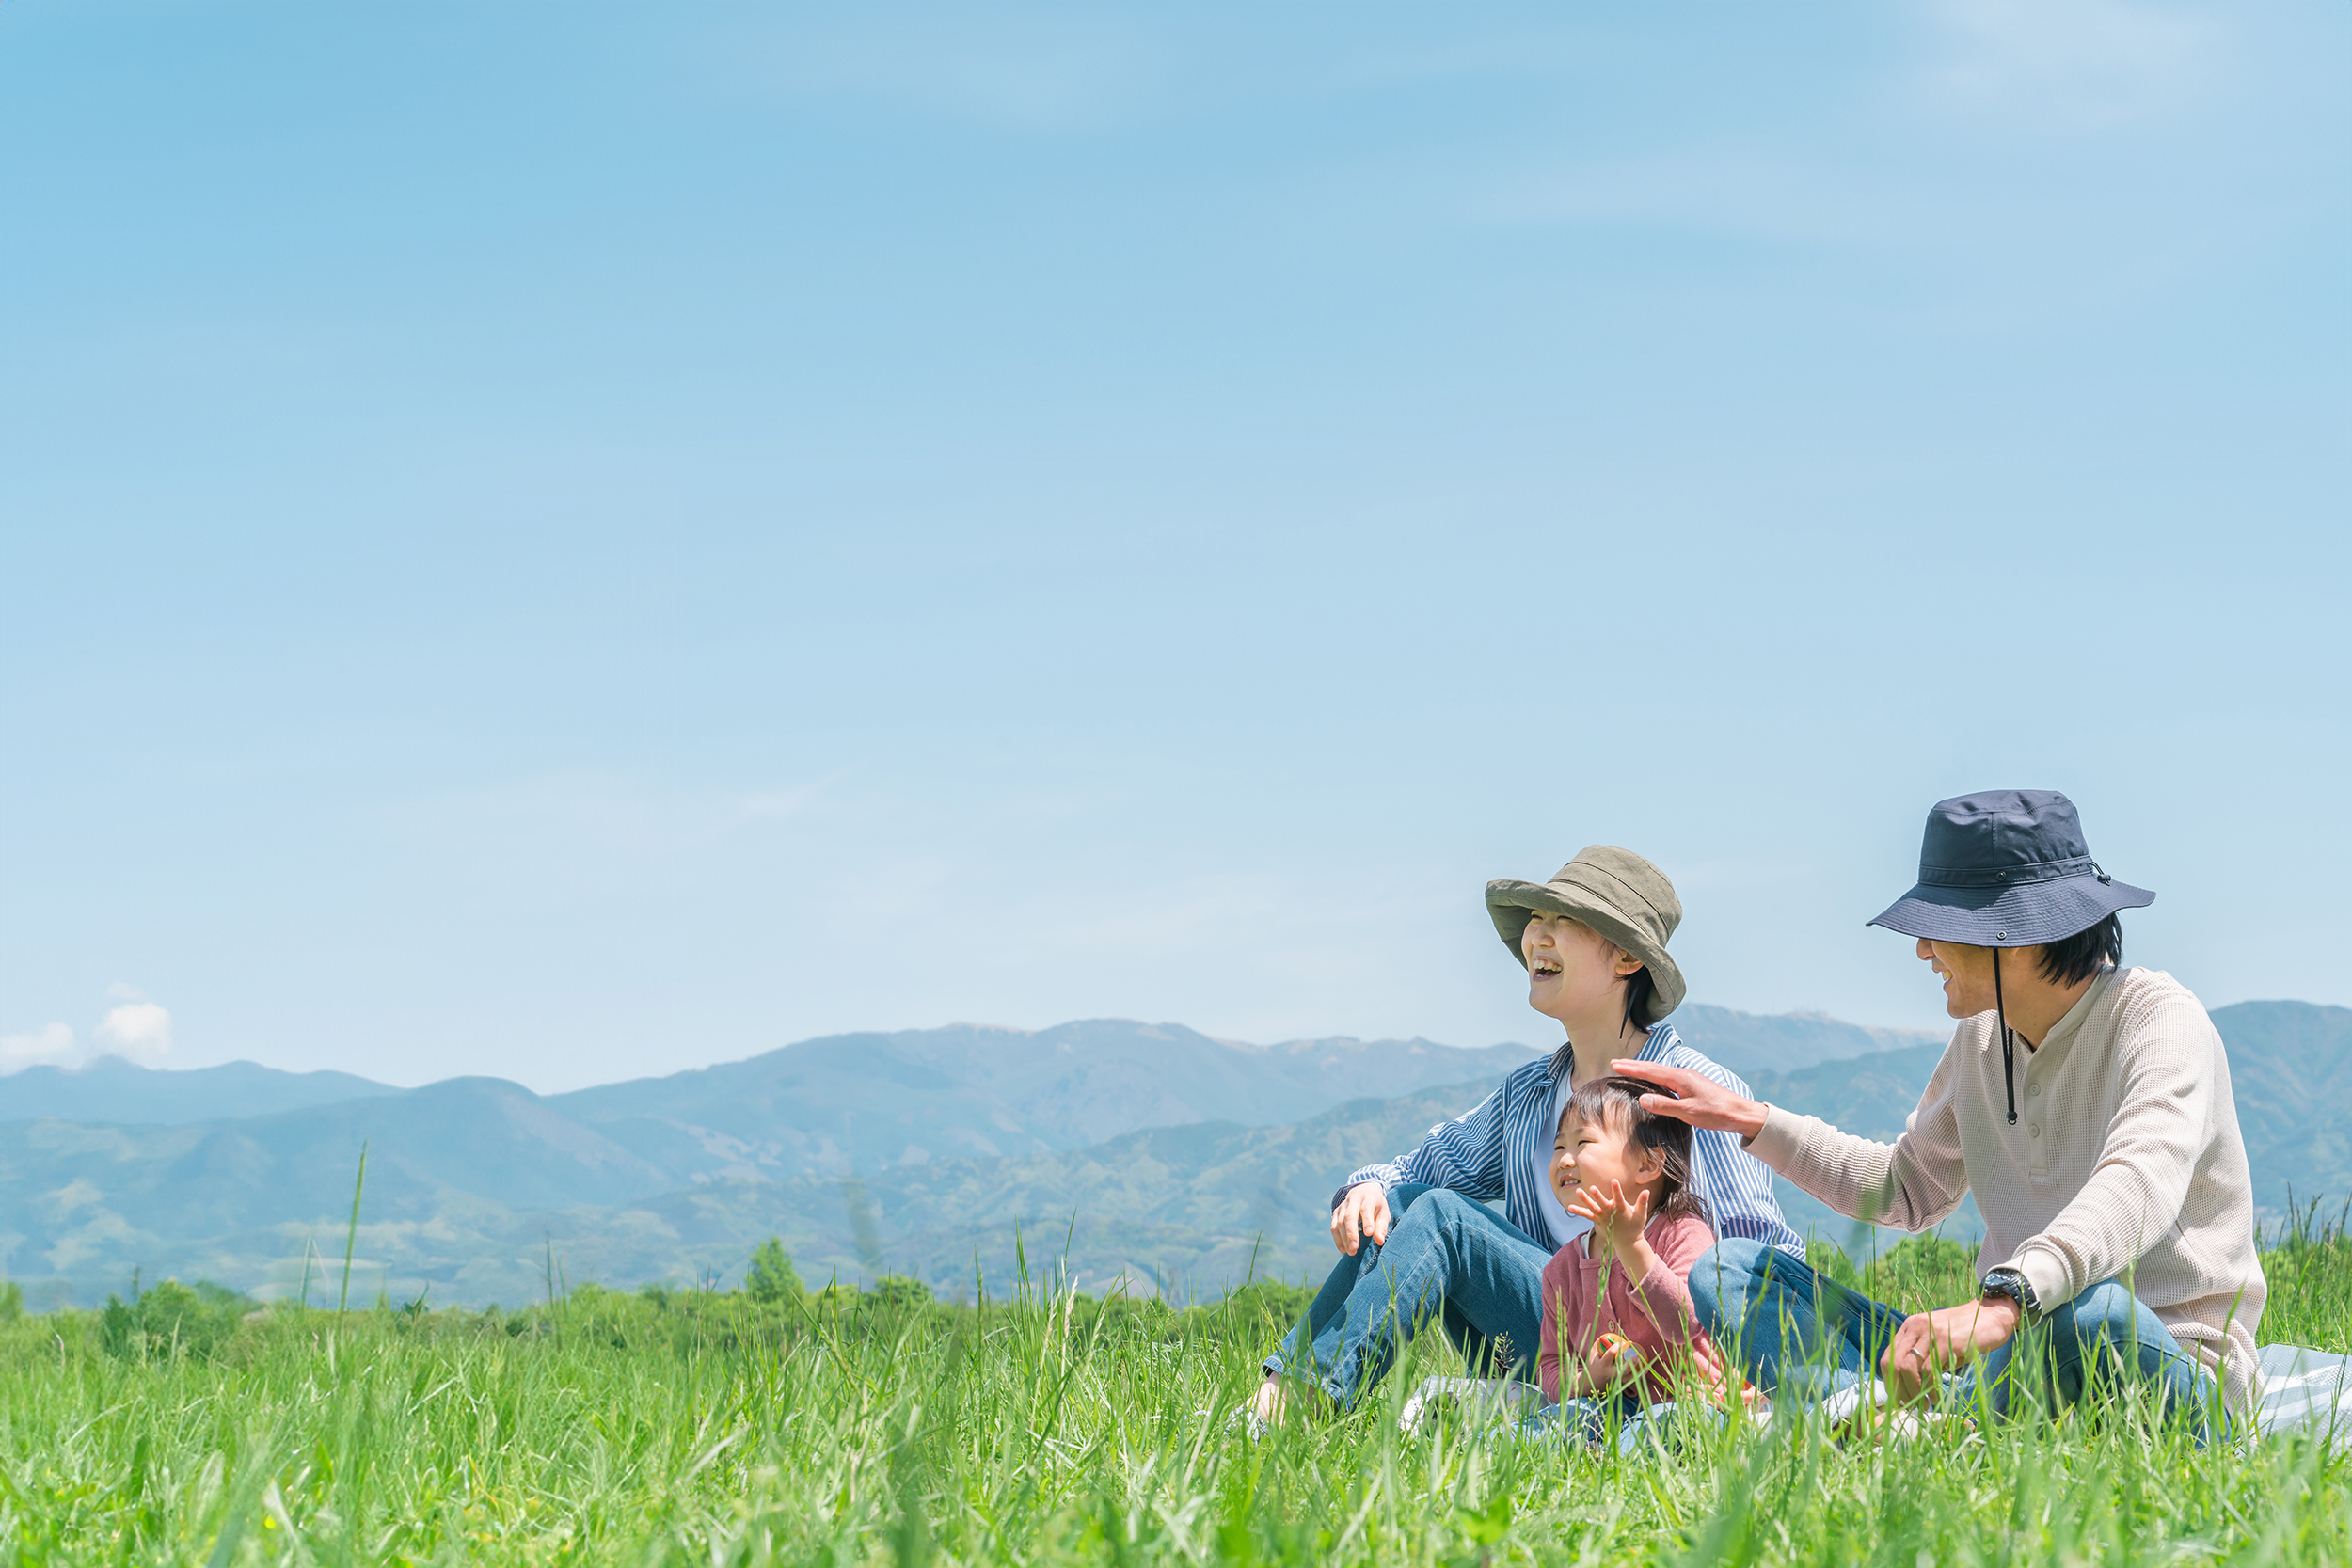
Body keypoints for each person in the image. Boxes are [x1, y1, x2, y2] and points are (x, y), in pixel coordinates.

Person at [1616, 790, 2265, 1440]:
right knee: (1731, 1271)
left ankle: (1899, 1425)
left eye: (1940, 924)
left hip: (2163, 1366)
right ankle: (1917, 1425)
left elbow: (2140, 1179)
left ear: (2015, 932)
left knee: (2092, 1312)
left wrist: (2009, 1299)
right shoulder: (1984, 1037)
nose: (1924, 948)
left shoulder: (2160, 1018)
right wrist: (1751, 1120)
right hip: (2007, 1360)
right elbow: (1903, 1188)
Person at [1248, 846, 1802, 1425]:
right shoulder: (1529, 1094)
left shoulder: (1693, 1088)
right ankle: (1285, 1402)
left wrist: (1759, 1387)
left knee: (1439, 1215)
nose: (1536, 937)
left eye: (1564, 922)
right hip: (1561, 1354)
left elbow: (1758, 1259)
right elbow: (1417, 1171)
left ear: (1625, 960)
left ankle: (1290, 1412)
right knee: (1405, 1202)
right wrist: (1368, 1188)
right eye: (1536, 920)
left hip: (1673, 1351)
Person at [1529, 1075, 1724, 1449]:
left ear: (1648, 1163)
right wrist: (1590, 1381)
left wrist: (1632, 1245)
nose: (1564, 1160)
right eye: (1558, 1147)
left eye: (1583, 1142)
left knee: (1663, 1424)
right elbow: (1551, 1367)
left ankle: (1621, 1457)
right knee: (1558, 1422)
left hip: (1690, 1404)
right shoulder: (1561, 1269)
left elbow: (1685, 1324)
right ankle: (1490, 1447)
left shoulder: (1682, 1233)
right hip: (1609, 1407)